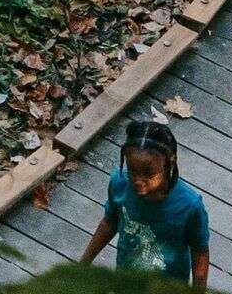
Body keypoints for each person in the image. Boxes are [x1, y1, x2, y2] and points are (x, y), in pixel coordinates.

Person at [79, 118, 212, 284]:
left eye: (149, 174)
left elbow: (200, 251)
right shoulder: (119, 184)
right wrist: (83, 263)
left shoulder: (190, 206)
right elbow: (109, 222)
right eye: (132, 171)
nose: (138, 181)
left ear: (170, 162)